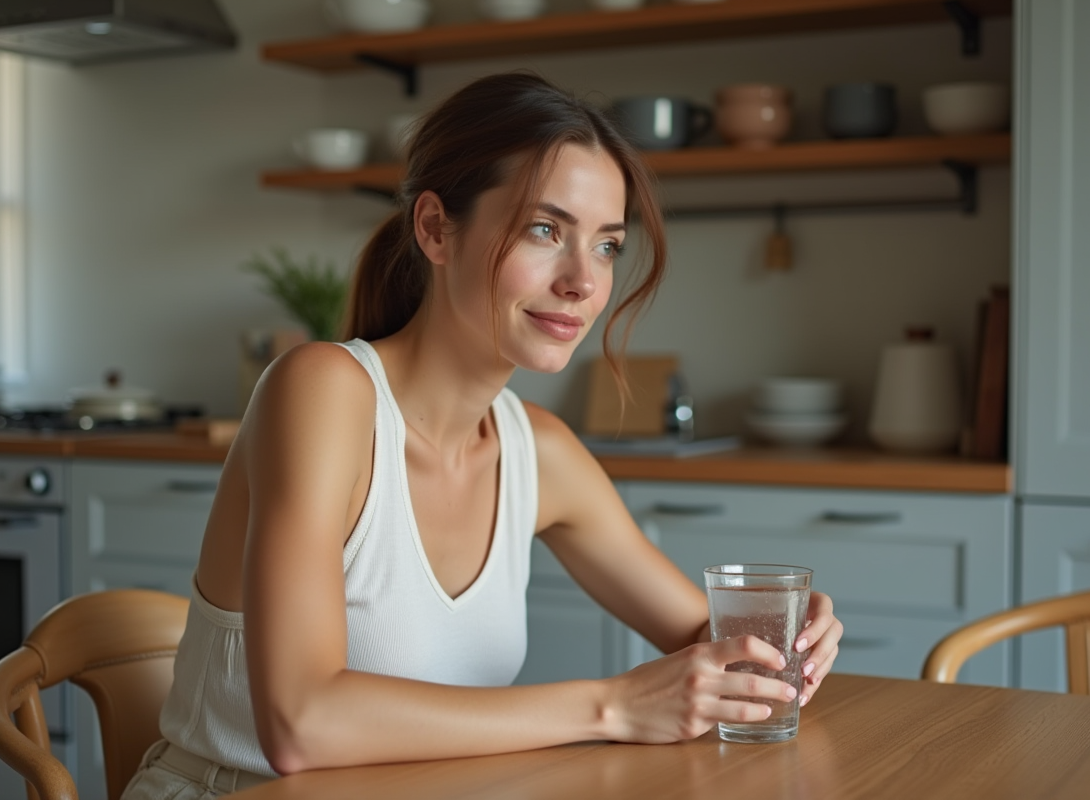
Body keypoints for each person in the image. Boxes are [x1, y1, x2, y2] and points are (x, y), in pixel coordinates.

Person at [122, 72, 842, 799]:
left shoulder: (543, 451)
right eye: (545, 230)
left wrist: (789, 647)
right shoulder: (322, 392)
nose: (583, 282)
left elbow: (709, 647)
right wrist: (614, 705)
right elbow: (300, 726)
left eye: (606, 246)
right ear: (436, 228)